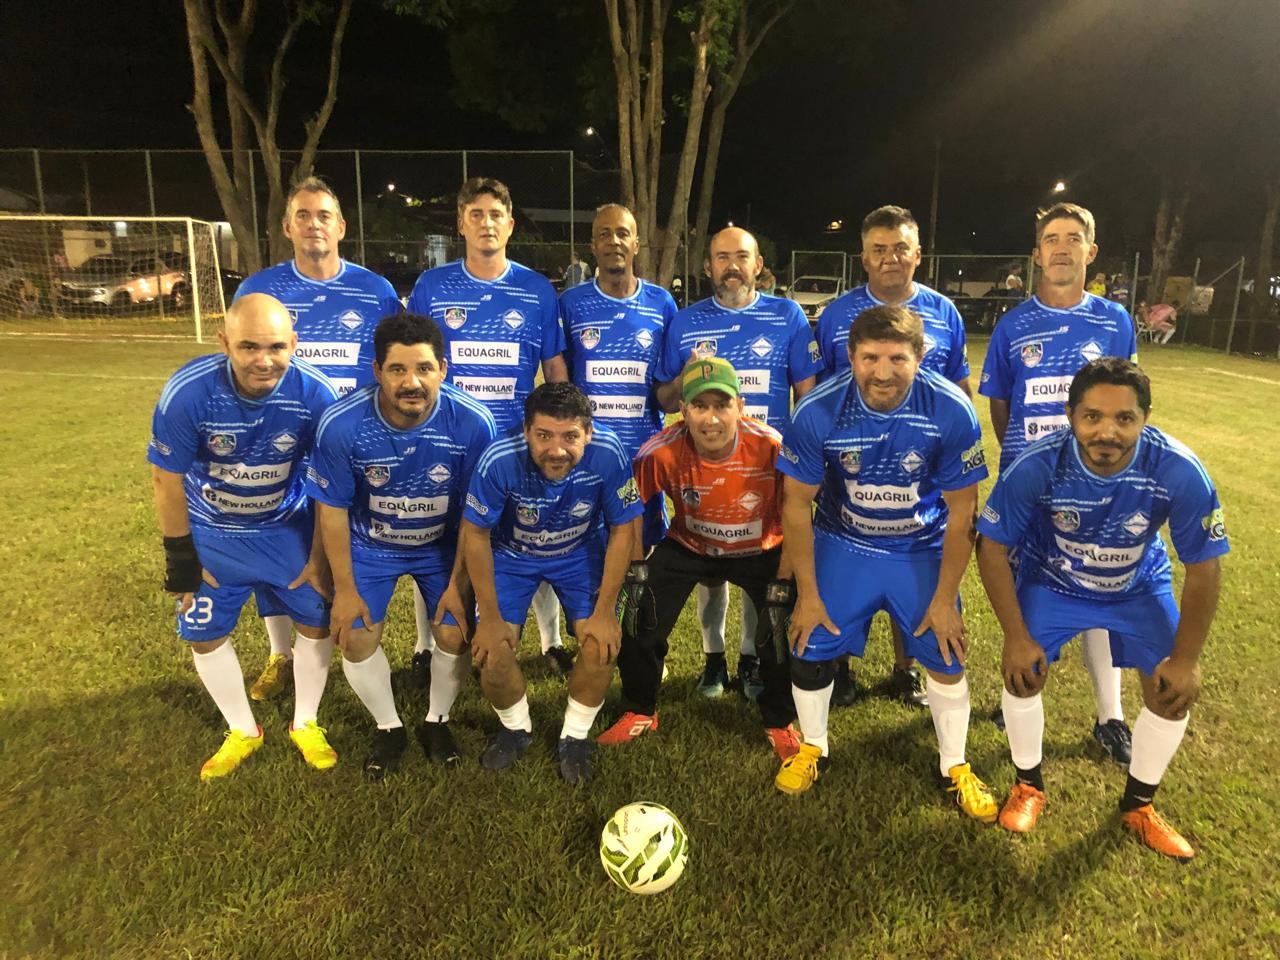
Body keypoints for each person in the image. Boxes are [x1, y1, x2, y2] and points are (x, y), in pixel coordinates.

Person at [976, 358, 1228, 860]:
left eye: (1124, 418)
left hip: (1137, 586)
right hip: (1054, 582)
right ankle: (1028, 785)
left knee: (1170, 693)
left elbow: (1204, 567)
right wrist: (1016, 637)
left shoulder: (1178, 469)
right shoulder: (1038, 464)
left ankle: (1139, 805)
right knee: (1023, 675)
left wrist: (1185, 659)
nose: (1107, 432)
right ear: (1071, 415)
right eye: (1092, 416)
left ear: (1145, 419)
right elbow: (992, 547)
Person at [774, 305, 996, 822]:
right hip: (844, 542)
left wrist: (945, 599)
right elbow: (796, 505)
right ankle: (813, 747)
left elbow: (964, 512)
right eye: (870, 357)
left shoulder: (950, 408)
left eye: (897, 358)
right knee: (809, 640)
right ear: (851, 356)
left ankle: (955, 764)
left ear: (920, 356)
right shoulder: (818, 409)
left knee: (946, 650)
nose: (882, 372)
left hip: (919, 546)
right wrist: (808, 595)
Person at [148, 293, 337, 779]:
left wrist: (319, 557)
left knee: (317, 621)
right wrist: (182, 561)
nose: (263, 360)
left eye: (276, 347)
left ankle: (305, 721)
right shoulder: (189, 392)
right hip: (213, 532)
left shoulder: (316, 395)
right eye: (249, 346)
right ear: (224, 343)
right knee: (204, 634)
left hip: (285, 529)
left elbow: (329, 484)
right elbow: (166, 479)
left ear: (294, 343)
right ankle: (242, 728)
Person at [233, 177, 404, 702]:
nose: (314, 225)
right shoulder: (260, 290)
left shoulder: (376, 291)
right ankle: (280, 655)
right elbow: (241, 365)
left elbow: (394, 365)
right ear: (287, 227)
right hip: (282, 445)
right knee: (281, 548)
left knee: (356, 544)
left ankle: (354, 638)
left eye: (324, 215)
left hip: (355, 447)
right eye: (303, 215)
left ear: (341, 226)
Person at [979, 202, 1139, 761]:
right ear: (1037, 254)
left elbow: (1128, 398)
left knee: (1101, 584)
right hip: (1031, 482)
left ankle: (1110, 716)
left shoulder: (1114, 321)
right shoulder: (1013, 324)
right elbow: (1001, 405)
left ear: (1091, 251)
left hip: (1097, 481)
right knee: (1025, 587)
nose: (1062, 248)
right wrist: (1028, 458)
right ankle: (1021, 685)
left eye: (1073, 238)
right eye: (1052, 239)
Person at [305, 314, 497, 778]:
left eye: (424, 368)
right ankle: (388, 726)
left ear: (442, 370)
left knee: (454, 631)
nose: (412, 382)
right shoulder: (342, 424)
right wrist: (344, 589)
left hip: (441, 547)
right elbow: (331, 510)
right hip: (371, 546)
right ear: (377, 371)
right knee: (354, 636)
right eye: (397, 370)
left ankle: (437, 720)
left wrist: (458, 584)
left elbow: (474, 517)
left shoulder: (473, 423)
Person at [407, 177, 574, 676]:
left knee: (531, 536)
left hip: (517, 445)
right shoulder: (432, 287)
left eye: (495, 214)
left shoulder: (536, 289)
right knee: (437, 541)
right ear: (461, 224)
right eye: (475, 214)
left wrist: (564, 425)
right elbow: (413, 361)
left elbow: (555, 368)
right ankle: (424, 645)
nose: (486, 223)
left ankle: (551, 641)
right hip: (447, 442)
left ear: (510, 224)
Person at [599, 356, 800, 760]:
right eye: (699, 406)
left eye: (721, 405)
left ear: (740, 406)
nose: (711, 419)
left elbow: (797, 512)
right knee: (638, 609)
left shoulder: (771, 446)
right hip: (689, 546)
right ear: (683, 410)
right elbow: (631, 509)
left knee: (783, 626)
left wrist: (783, 578)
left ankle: (780, 718)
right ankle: (640, 708)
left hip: (761, 550)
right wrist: (636, 568)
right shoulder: (660, 451)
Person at [813, 205, 972, 709]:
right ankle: (840, 666)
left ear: (917, 254)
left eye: (900, 248)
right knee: (847, 559)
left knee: (914, 559)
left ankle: (905, 669)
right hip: (851, 464)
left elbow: (960, 386)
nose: (890, 257)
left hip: (923, 461)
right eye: (879, 249)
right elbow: (821, 393)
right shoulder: (836, 315)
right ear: (863, 257)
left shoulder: (944, 312)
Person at [653, 226, 821, 701]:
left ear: (758, 264)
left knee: (758, 564)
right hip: (704, 468)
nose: (732, 266)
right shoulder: (686, 322)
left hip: (769, 470)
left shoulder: (787, 316)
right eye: (722, 257)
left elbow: (807, 396)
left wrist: (802, 459)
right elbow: (664, 398)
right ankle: (713, 658)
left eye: (741, 256)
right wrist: (683, 378)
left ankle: (750, 657)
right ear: (708, 266)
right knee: (710, 564)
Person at [460, 383, 642, 783]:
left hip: (579, 552)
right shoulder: (499, 458)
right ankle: (516, 729)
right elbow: (475, 534)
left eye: (569, 437)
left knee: (600, 646)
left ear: (588, 432)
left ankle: (575, 736)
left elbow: (622, 530)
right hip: (511, 556)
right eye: (544, 435)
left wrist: (605, 611)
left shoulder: (609, 452)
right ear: (526, 430)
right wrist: (489, 617)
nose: (556, 450)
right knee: (492, 652)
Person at [560, 203, 677, 552]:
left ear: (636, 244)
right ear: (593, 245)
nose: (614, 241)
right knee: (585, 554)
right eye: (604, 234)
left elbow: (667, 387)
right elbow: (560, 379)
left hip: (643, 458)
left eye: (623, 233)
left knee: (640, 559)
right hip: (587, 456)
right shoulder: (571, 303)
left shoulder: (661, 303)